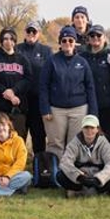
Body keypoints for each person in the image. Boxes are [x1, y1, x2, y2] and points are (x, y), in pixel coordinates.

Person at [39, 26, 98, 160]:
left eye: (71, 40)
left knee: (75, 143)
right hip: (55, 110)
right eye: (64, 40)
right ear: (60, 42)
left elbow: (90, 87)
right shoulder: (51, 61)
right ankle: (55, 175)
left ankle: (72, 175)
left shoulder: (82, 62)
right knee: (55, 144)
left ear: (75, 43)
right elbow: (43, 86)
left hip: (79, 109)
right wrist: (45, 108)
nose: (67, 43)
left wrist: (93, 113)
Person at [0, 27, 33, 142]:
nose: (8, 41)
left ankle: (18, 161)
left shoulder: (22, 59)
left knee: (18, 140)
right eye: (5, 38)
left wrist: (14, 91)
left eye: (11, 38)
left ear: (15, 41)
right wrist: (5, 92)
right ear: (1, 41)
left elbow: (28, 80)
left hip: (18, 108)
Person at [81, 24, 110, 149]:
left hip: (108, 105)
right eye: (92, 35)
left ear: (104, 37)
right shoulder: (83, 57)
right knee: (90, 136)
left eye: (98, 35)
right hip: (88, 104)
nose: (95, 37)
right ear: (88, 38)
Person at [56, 114, 110, 198]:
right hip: (80, 179)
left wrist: (99, 178)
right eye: (86, 127)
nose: (89, 131)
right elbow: (65, 162)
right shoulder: (74, 142)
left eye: (92, 128)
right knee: (60, 175)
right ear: (82, 129)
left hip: (98, 179)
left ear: (97, 129)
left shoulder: (105, 143)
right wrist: (79, 176)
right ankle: (78, 190)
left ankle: (94, 192)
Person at [16, 20, 52, 155]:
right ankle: (17, 169)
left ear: (38, 34)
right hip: (20, 100)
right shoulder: (17, 49)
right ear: (24, 32)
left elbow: (51, 76)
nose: (31, 34)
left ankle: (39, 168)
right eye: (29, 31)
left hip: (38, 100)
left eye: (34, 31)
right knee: (19, 136)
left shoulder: (46, 51)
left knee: (38, 136)